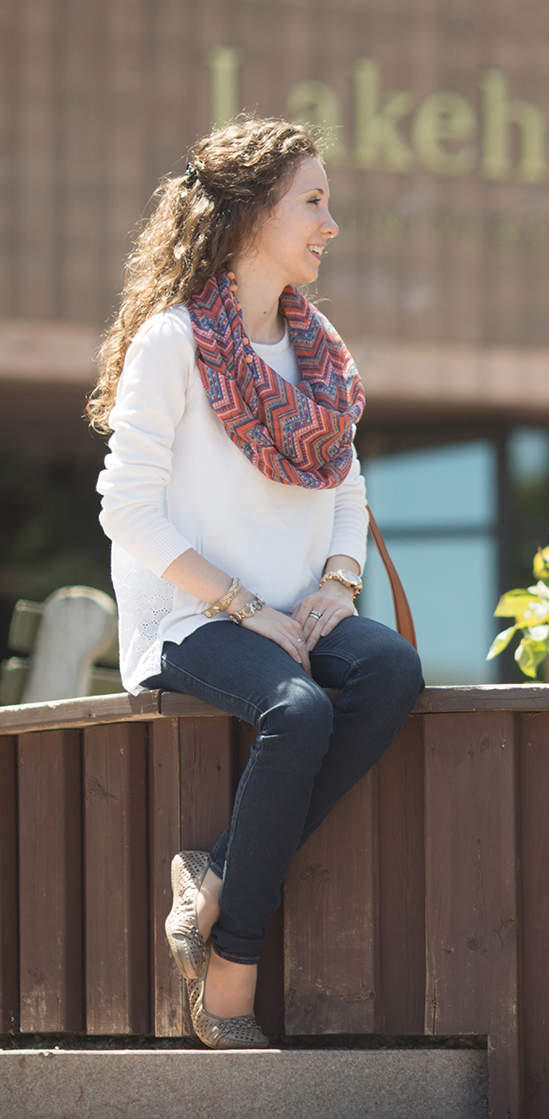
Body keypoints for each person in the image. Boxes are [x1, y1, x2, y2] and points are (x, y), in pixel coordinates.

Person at [89, 118, 423, 1049]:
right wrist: (240, 605)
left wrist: (340, 582)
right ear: (248, 218)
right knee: (299, 711)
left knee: (391, 670)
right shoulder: (173, 343)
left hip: (295, 605)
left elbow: (346, 484)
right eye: (312, 202)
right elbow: (125, 510)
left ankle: (220, 875)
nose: (330, 224)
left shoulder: (319, 349)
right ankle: (231, 978)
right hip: (193, 614)